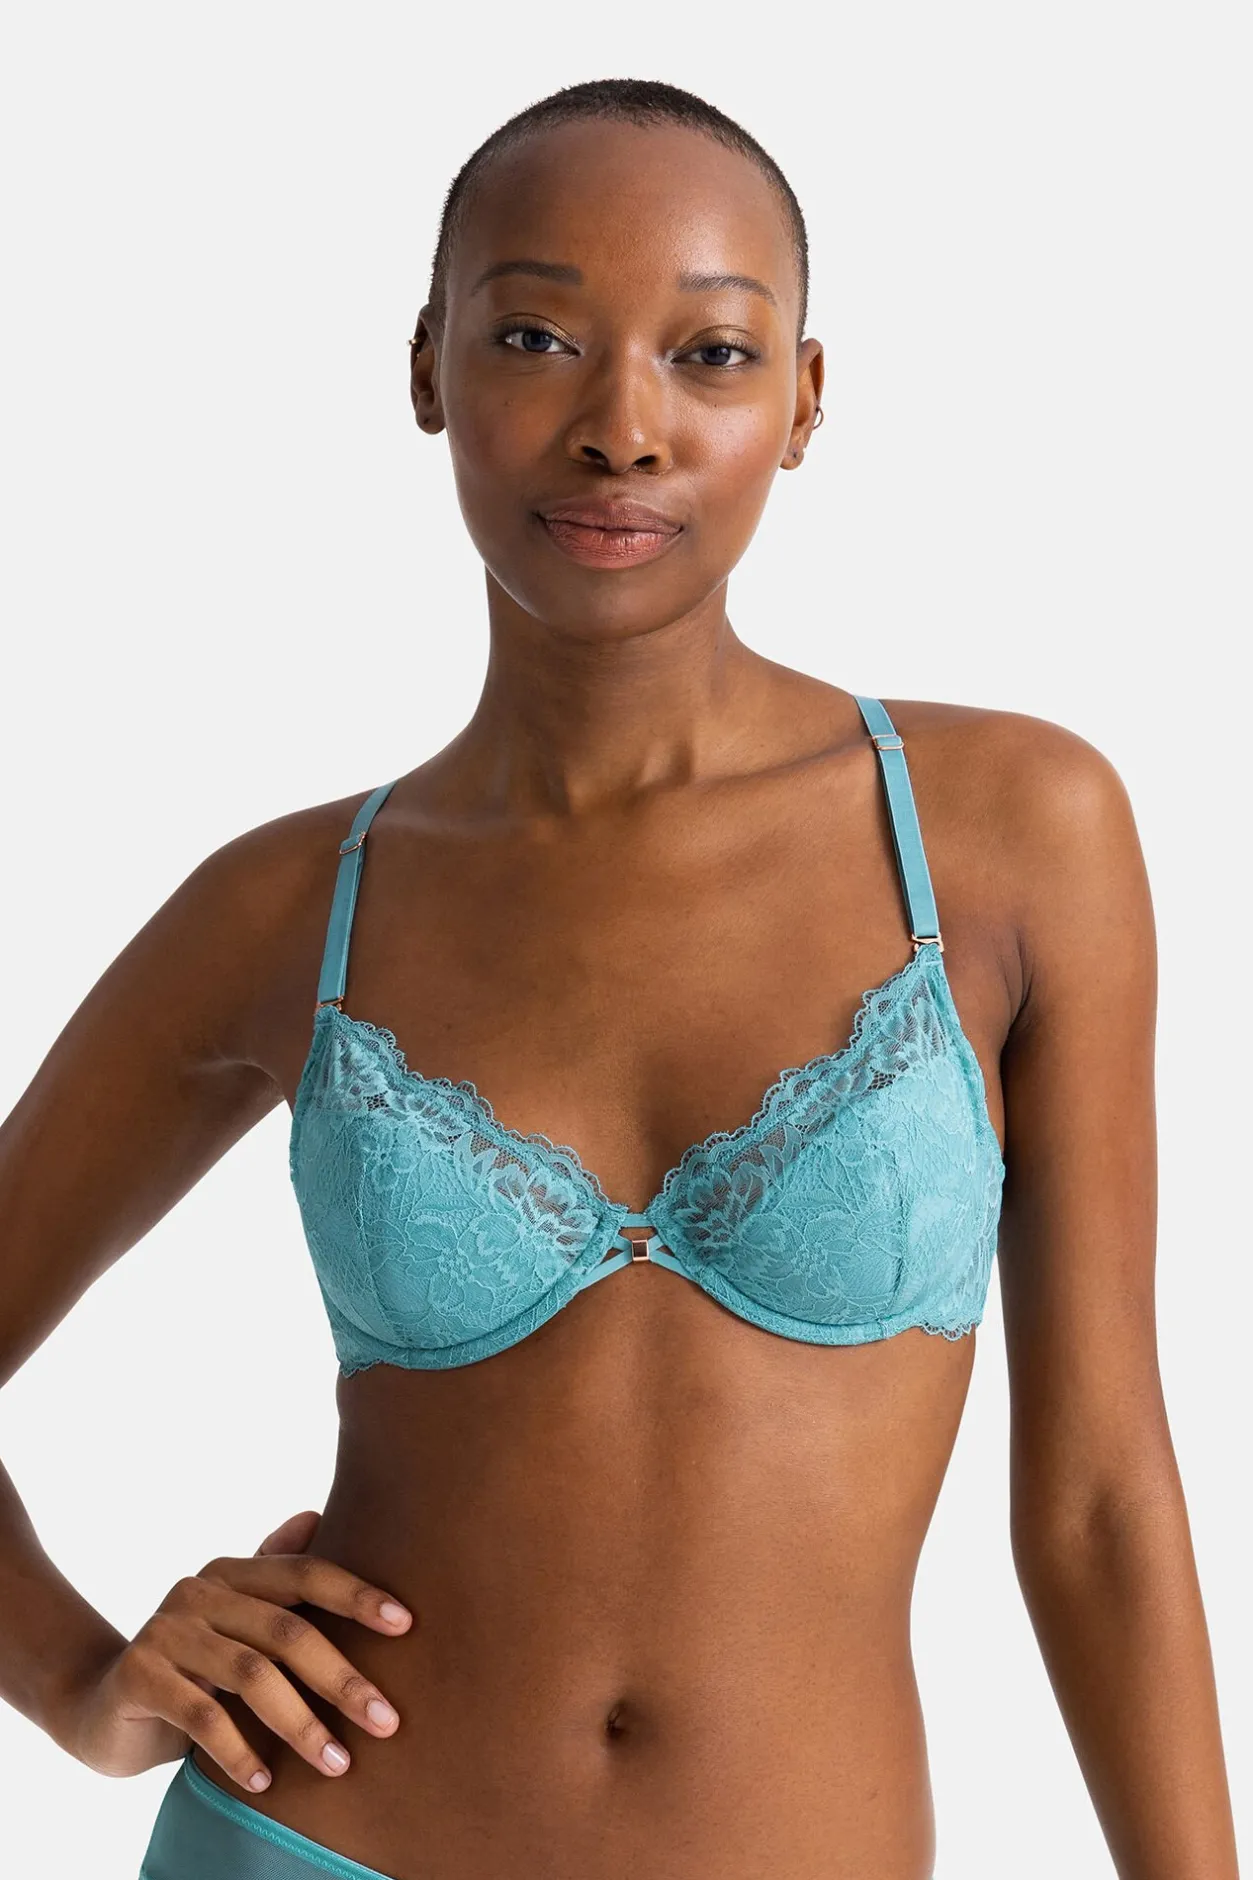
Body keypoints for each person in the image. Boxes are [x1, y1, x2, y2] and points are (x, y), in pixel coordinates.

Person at [0, 75, 1239, 1880]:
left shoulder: (1008, 835)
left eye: (711, 355)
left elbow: (1102, 1503)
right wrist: (80, 1684)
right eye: (535, 338)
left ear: (805, 400)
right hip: (315, 1849)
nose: (623, 430)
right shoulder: (289, 909)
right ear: (426, 368)